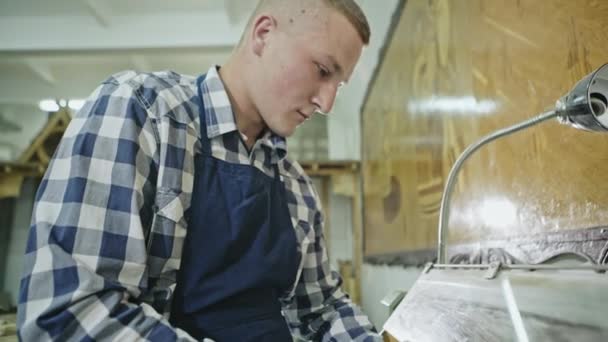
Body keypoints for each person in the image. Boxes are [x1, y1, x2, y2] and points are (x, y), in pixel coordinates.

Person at [18, 0, 380, 340]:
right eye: (322, 70)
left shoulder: (296, 186)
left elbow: (321, 309)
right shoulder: (141, 112)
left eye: (339, 85)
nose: (327, 102)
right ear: (263, 34)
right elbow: (70, 312)